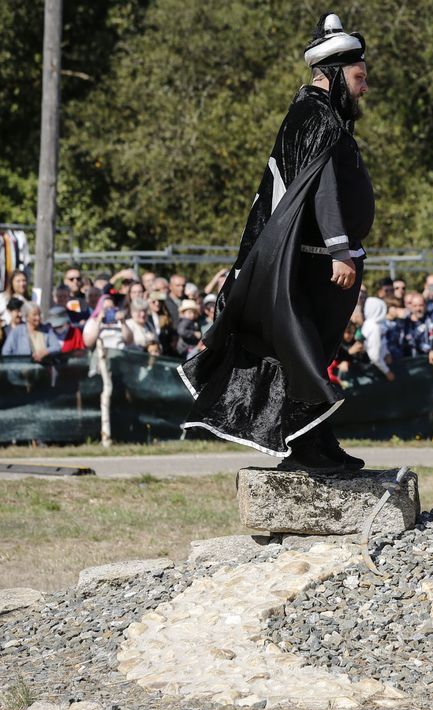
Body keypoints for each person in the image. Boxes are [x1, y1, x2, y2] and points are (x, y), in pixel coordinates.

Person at [180, 13, 373, 470]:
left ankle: (316, 441)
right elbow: (320, 187)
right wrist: (339, 249)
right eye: (359, 77)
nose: (364, 88)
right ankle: (306, 448)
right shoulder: (316, 117)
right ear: (333, 75)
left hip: (314, 260)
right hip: (311, 262)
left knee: (309, 358)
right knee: (301, 358)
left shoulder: (319, 116)